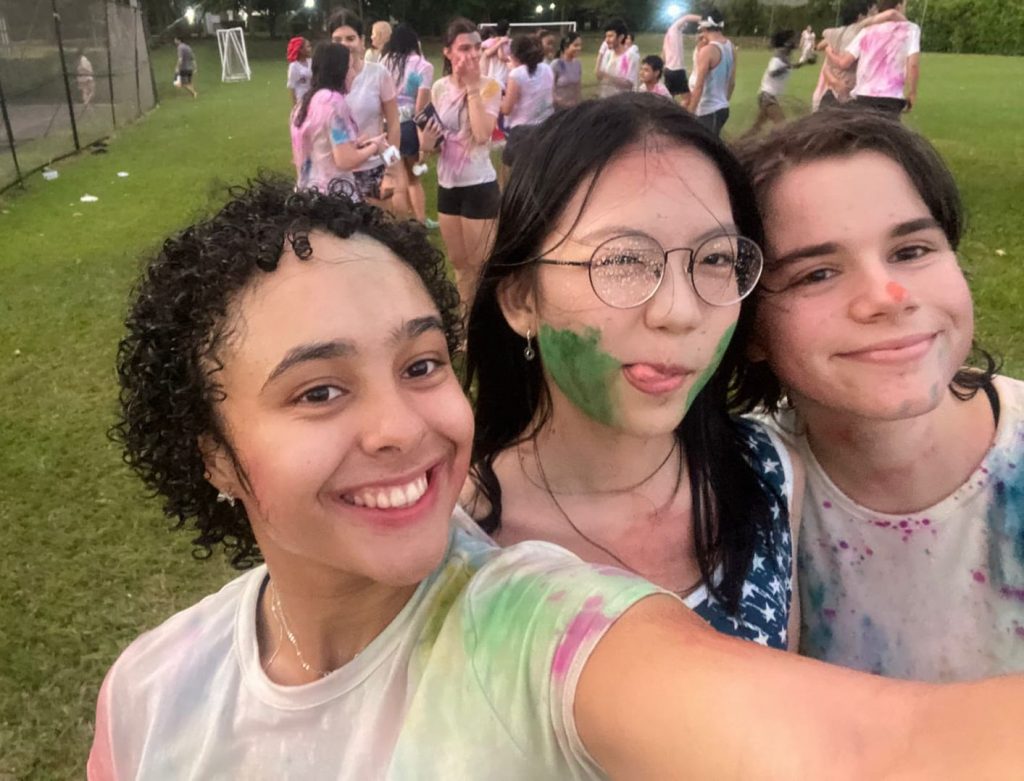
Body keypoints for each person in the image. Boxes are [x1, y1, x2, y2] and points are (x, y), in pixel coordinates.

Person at [87, 175, 1024, 780]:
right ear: (213, 452)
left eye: (421, 365)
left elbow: (873, 751)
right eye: (320, 390)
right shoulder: (151, 691)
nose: (401, 428)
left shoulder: (535, 625)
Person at [464, 92, 799, 648]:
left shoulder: (768, 477)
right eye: (622, 260)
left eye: (716, 258)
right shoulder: (459, 547)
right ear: (521, 299)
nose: (681, 312)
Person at [734, 110, 1024, 682]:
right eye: (817, 274)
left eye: (911, 251)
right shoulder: (735, 495)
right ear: (749, 329)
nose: (887, 297)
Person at [419, 18, 501, 309]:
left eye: (477, 47)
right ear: (447, 52)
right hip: (448, 186)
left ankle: (487, 322)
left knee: (482, 267)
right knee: (459, 264)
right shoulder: (439, 88)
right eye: (464, 48)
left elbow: (481, 134)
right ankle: (467, 319)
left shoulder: (491, 87)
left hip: (479, 186)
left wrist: (472, 88)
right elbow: (433, 143)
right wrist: (427, 143)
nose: (473, 54)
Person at [290, 43, 386, 196]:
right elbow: (345, 160)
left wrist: (354, 143)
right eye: (350, 68)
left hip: (305, 194)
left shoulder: (303, 104)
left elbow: (321, 147)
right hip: (334, 196)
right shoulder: (334, 103)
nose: (354, 74)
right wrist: (376, 145)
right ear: (339, 71)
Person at [329, 11, 402, 204]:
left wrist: (392, 171)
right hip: (335, 172)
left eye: (350, 38)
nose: (344, 44)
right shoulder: (323, 80)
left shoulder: (378, 74)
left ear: (361, 41)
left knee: (377, 223)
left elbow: (394, 124)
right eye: (337, 40)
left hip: (373, 170)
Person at [381, 24, 434, 225]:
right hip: (409, 127)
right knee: (414, 177)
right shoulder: (423, 65)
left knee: (395, 176)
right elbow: (421, 107)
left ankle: (400, 223)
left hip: (387, 127)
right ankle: (420, 221)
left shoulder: (384, 61)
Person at [827, 0, 920, 115]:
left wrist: (829, 51)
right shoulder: (911, 29)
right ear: (899, 6)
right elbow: (913, 65)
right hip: (891, 96)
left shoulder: (866, 30)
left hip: (864, 94)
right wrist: (912, 92)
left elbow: (844, 62)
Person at [500, 34, 554, 175]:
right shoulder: (546, 68)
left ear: (515, 55)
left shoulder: (517, 74)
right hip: (547, 126)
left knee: (511, 171)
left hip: (523, 131)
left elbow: (506, 109)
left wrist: (498, 100)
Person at [747, 30, 802, 135]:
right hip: (767, 97)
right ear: (786, 43)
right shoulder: (778, 57)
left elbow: (789, 66)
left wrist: (802, 63)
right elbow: (772, 72)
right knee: (782, 125)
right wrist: (788, 67)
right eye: (793, 40)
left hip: (768, 96)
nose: (796, 42)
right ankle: (772, 142)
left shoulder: (785, 57)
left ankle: (738, 143)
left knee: (757, 128)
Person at [688, 15, 736, 136]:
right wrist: (723, 101)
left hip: (708, 110)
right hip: (721, 108)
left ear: (704, 28)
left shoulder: (708, 51)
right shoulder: (730, 46)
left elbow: (699, 86)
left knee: (704, 146)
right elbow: (731, 82)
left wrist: (689, 114)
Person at [661, 11, 701, 106]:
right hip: (677, 70)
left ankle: (668, 113)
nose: (686, 25)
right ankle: (678, 113)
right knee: (687, 99)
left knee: (668, 99)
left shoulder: (669, 33)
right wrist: (705, 19)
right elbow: (687, 17)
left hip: (668, 70)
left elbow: (663, 54)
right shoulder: (675, 28)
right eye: (685, 23)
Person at [595, 19, 639, 98]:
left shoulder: (631, 56)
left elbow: (629, 85)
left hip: (623, 101)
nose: (607, 40)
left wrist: (608, 76)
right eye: (606, 36)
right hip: (606, 100)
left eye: (610, 36)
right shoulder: (608, 54)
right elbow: (599, 76)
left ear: (621, 37)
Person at [551, 31, 583, 109]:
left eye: (580, 45)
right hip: (558, 109)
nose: (579, 48)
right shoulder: (556, 64)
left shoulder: (578, 64)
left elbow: (578, 88)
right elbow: (549, 90)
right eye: (575, 45)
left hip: (574, 109)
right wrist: (561, 103)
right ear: (566, 47)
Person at [480, 19, 512, 89]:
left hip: (492, 76)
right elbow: (501, 56)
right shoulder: (510, 43)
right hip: (504, 77)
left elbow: (483, 49)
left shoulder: (490, 42)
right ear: (508, 30)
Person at [286, 36, 313, 106]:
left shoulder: (311, 61)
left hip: (313, 95)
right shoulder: (294, 66)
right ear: (300, 49)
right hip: (301, 98)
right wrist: (295, 105)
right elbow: (292, 86)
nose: (310, 49)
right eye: (308, 47)